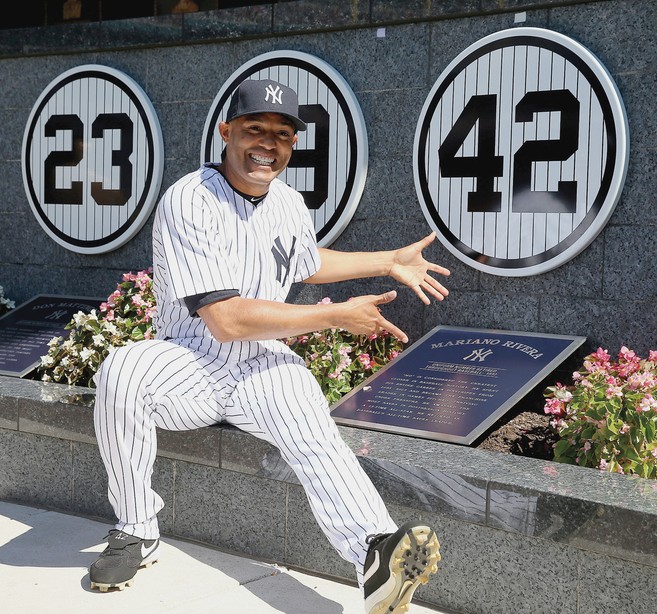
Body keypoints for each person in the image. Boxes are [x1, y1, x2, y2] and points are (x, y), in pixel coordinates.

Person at [89, 78, 448, 614]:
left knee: (310, 425)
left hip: (263, 364)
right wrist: (332, 316)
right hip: (192, 360)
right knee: (123, 372)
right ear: (226, 131)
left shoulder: (287, 202)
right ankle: (136, 528)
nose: (268, 143)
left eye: (282, 133)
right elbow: (226, 320)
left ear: (293, 144)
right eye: (255, 129)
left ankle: (374, 557)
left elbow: (307, 261)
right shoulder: (190, 199)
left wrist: (388, 259)